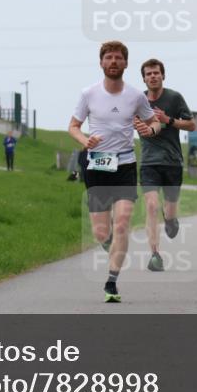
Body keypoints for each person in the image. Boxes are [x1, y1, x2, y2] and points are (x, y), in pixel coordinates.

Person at [69, 41, 160, 303]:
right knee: (101, 232)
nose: (113, 62)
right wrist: (83, 140)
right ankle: (110, 245)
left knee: (122, 223)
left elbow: (153, 122)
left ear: (125, 63)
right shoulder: (88, 93)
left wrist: (150, 130)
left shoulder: (135, 96)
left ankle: (112, 282)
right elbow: (73, 126)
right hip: (97, 163)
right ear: (101, 63)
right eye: (108, 57)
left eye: (118, 58)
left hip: (125, 165)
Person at [137, 58, 194, 272]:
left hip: (172, 162)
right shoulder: (138, 100)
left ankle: (171, 220)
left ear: (163, 75)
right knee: (151, 206)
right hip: (149, 162)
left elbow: (191, 124)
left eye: (156, 73)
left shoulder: (174, 98)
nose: (152, 76)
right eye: (148, 73)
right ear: (143, 78)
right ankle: (155, 255)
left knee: (169, 210)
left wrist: (169, 120)